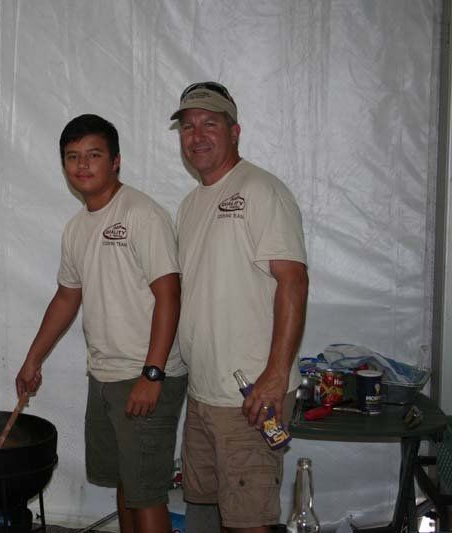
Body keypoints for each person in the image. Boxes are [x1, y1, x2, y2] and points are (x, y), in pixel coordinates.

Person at [16, 114, 187, 533]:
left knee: (146, 494)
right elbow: (66, 297)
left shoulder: (142, 214)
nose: (83, 165)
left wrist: (152, 373)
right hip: (105, 375)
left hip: (146, 375)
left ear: (116, 162)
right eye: (72, 157)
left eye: (94, 155)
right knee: (126, 486)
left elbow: (170, 294)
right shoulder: (77, 228)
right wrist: (32, 359)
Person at [171, 81, 309, 532]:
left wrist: (274, 376)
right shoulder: (191, 205)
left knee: (249, 521)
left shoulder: (262, 190)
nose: (197, 135)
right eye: (188, 126)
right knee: (205, 509)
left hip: (251, 397)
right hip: (205, 393)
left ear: (235, 132)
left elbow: (293, 281)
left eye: (210, 123)